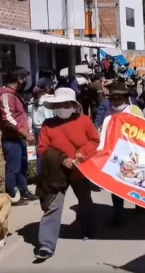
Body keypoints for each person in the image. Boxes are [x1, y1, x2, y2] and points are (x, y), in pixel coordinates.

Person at [34, 87, 100, 259]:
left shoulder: (84, 121)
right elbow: (42, 149)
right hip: (57, 172)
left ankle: (87, 228)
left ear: (73, 104)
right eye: (59, 104)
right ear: (54, 106)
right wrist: (62, 159)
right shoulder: (48, 125)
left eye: (66, 103)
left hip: (80, 169)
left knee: (84, 201)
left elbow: (94, 140)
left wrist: (82, 154)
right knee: (53, 206)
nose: (63, 107)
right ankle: (46, 245)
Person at [105, 82, 143, 226]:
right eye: (113, 98)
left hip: (133, 152)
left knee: (136, 181)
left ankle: (140, 206)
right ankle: (118, 215)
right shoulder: (109, 113)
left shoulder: (134, 110)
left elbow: (144, 128)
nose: (116, 101)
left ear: (125, 98)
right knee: (116, 185)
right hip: (115, 153)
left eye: (119, 98)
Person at [0, 67, 38, 205]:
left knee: (23, 167)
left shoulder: (14, 94)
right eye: (24, 78)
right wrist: (24, 133)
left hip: (21, 138)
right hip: (12, 139)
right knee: (13, 168)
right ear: (19, 80)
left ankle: (23, 190)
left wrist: (29, 132)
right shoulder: (6, 95)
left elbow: (21, 115)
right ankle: (13, 195)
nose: (25, 81)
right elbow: (7, 118)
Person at [29, 77, 56, 178]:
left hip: (36, 129)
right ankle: (51, 175)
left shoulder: (32, 100)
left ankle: (41, 176)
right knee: (51, 152)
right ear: (47, 88)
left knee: (40, 153)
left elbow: (29, 117)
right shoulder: (52, 100)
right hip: (49, 128)